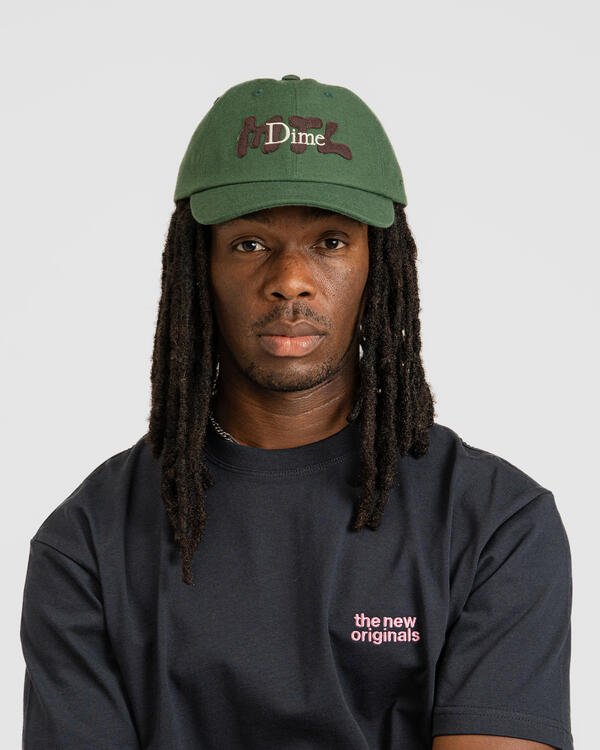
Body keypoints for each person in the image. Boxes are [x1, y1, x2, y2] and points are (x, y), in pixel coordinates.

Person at [20, 75, 574, 750]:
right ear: (199, 266)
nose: (290, 280)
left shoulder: (496, 523)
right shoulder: (88, 541)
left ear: (379, 263)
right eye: (249, 243)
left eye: (331, 241)